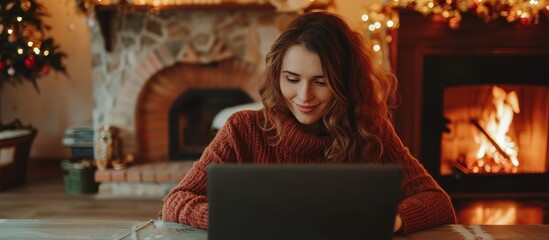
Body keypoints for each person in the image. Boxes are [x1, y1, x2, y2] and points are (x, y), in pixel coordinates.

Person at [162, 11, 457, 234]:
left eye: (321, 82)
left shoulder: (369, 129)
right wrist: (235, 219)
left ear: (345, 83)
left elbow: (436, 201)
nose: (304, 96)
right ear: (277, 75)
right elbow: (176, 201)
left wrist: (388, 220)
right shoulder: (242, 129)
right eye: (292, 79)